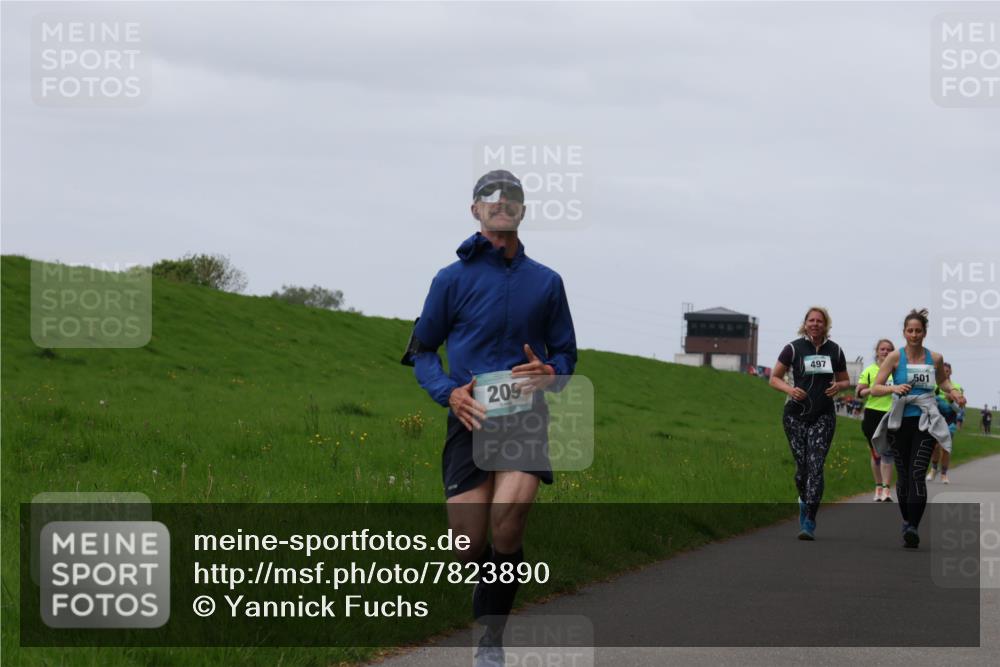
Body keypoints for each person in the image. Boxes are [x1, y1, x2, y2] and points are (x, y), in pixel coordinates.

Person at [409, 169, 577, 667]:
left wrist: (550, 372)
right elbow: (421, 351)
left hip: (524, 416)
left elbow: (566, 356)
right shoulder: (450, 279)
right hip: (471, 417)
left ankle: (490, 638)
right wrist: (448, 393)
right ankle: (490, 590)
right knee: (467, 544)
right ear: (475, 210)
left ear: (522, 211)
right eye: (490, 197)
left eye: (512, 198)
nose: (502, 203)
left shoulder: (546, 282)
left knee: (509, 522)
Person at [871, 309, 965, 549]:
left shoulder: (935, 358)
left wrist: (954, 392)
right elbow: (875, 388)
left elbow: (943, 381)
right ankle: (906, 520)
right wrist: (894, 388)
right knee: (903, 477)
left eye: (918, 331)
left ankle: (913, 526)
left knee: (917, 473)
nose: (914, 335)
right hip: (900, 423)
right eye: (910, 331)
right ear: (904, 333)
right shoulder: (895, 357)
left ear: (924, 333)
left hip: (925, 421)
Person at [769, 306, 850, 540]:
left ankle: (809, 520)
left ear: (826, 325)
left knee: (815, 465)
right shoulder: (793, 348)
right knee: (802, 469)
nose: (815, 324)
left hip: (823, 415)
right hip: (795, 415)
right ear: (805, 324)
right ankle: (804, 501)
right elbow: (774, 378)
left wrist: (838, 386)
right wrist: (790, 390)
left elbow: (845, 380)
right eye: (811, 320)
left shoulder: (835, 350)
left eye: (819, 321)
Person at [856, 339, 896, 501]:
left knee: (888, 452)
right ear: (877, 352)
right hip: (873, 414)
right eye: (882, 349)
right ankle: (878, 486)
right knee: (877, 454)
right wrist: (872, 390)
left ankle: (886, 489)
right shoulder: (869, 370)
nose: (885, 352)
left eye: (889, 349)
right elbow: (859, 393)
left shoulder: (897, 371)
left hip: (892, 413)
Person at [927, 363, 962, 484]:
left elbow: (959, 409)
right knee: (935, 446)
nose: (945, 373)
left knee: (946, 448)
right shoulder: (934, 386)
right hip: (936, 421)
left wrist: (951, 401)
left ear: (950, 372)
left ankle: (944, 474)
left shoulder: (956, 388)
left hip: (950, 422)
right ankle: (933, 469)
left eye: (947, 371)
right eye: (943, 371)